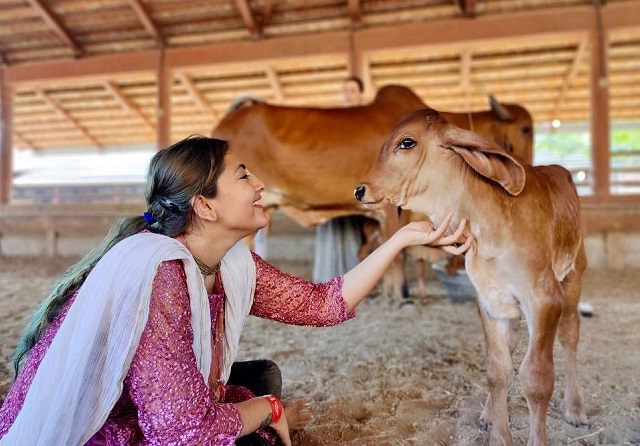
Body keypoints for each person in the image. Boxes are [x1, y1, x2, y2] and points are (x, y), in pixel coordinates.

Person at [0, 136, 471, 446]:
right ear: (205, 205)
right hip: (105, 424)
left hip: (166, 407)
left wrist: (403, 238)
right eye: (244, 175)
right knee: (259, 404)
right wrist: (267, 410)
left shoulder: (228, 261)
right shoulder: (159, 275)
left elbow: (322, 304)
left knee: (263, 374)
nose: (260, 184)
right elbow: (180, 430)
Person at [313, 76, 370, 283]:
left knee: (355, 226)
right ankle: (328, 278)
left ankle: (353, 278)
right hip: (332, 180)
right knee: (331, 222)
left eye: (353, 90)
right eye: (345, 90)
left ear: (360, 94)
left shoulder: (366, 121)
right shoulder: (334, 122)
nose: (348, 94)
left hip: (356, 181)